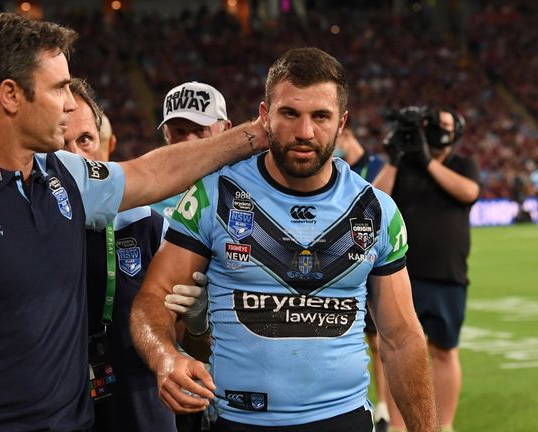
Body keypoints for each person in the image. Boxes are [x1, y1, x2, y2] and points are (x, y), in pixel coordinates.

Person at [0, 12, 268, 431]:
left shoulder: (65, 175)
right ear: (11, 96)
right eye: (59, 88)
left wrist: (258, 134)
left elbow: (152, 173)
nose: (71, 102)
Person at [130, 47, 438, 431]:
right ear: (264, 116)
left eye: (320, 116)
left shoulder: (376, 211)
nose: (305, 132)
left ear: (342, 122)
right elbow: (152, 300)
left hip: (343, 420)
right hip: (238, 421)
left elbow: (402, 336)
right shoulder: (214, 197)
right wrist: (165, 358)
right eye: (290, 113)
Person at [65, 77, 176, 432]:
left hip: (141, 409)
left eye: (85, 140)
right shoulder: (24, 229)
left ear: (103, 143)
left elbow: (186, 332)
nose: (76, 157)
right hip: (60, 409)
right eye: (61, 143)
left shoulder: (145, 223)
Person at [373, 107, 479, 432]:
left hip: (448, 275)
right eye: (435, 125)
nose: (440, 131)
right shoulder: (403, 165)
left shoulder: (463, 165)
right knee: (394, 349)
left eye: (447, 125)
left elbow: (469, 192)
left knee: (445, 351)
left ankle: (444, 426)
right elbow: (373, 202)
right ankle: (396, 425)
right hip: (401, 275)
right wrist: (394, 159)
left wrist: (427, 160)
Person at [336, 126, 391, 431]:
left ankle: (383, 406)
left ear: (346, 135)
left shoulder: (375, 166)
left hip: (370, 260)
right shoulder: (335, 168)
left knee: (379, 339)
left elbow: (381, 206)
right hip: (344, 262)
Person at [151, 81, 232, 219]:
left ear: (226, 130)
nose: (189, 141)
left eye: (200, 130)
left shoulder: (245, 187)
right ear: (166, 133)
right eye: (179, 131)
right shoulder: (147, 193)